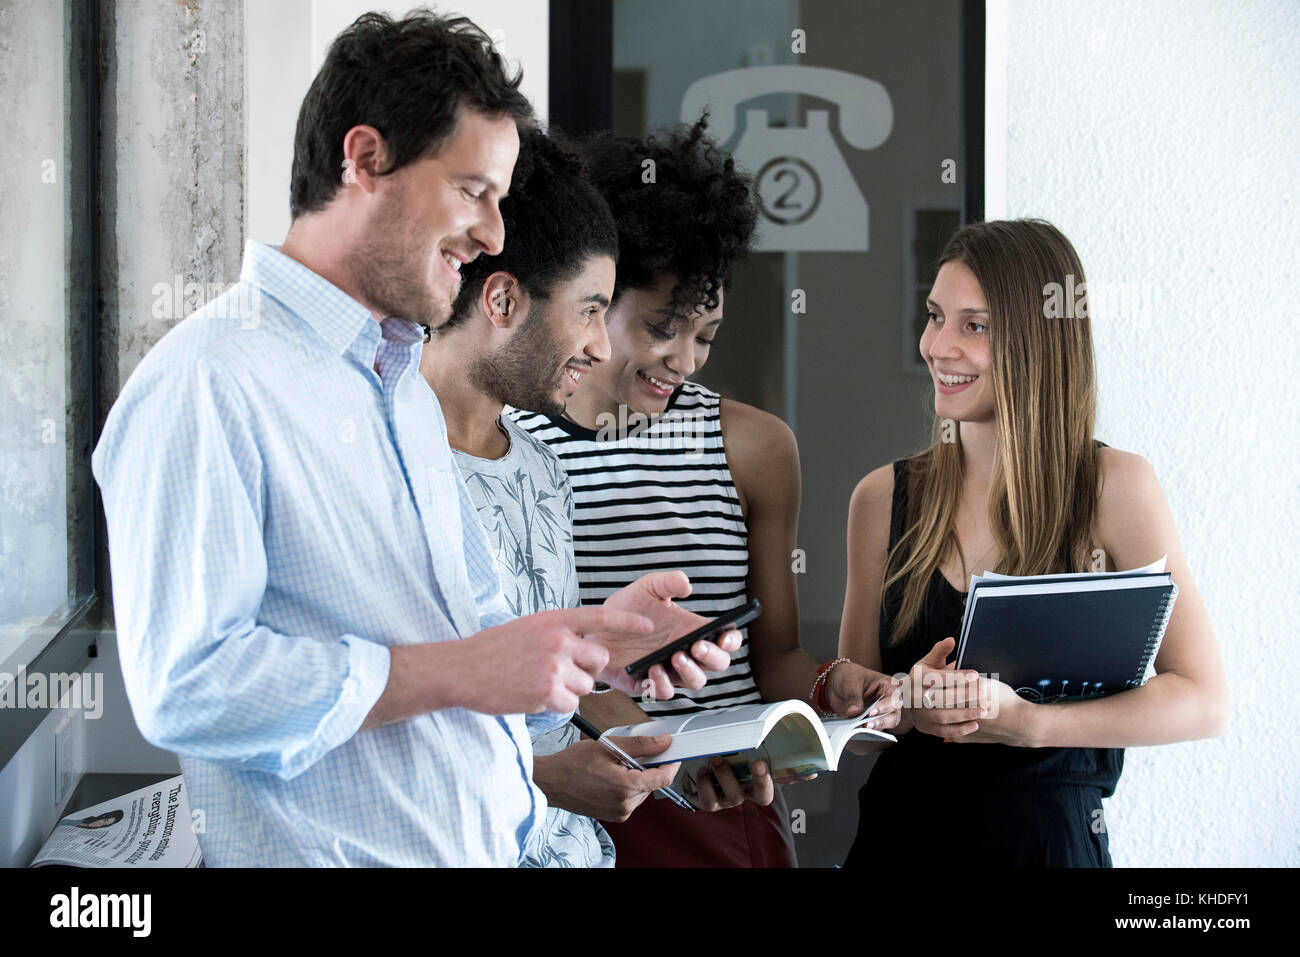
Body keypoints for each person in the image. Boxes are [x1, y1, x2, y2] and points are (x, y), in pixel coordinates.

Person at [90, 10, 735, 867]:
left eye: (501, 201)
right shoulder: (209, 381)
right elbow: (189, 687)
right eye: (474, 192)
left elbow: (477, 650)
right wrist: (457, 673)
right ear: (363, 159)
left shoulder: (392, 387)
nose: (494, 236)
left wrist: (595, 645)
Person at [513, 119, 898, 867]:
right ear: (595, 292)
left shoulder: (753, 447)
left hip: (723, 820)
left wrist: (831, 682)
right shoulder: (512, 442)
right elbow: (538, 664)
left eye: (707, 335)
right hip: (570, 810)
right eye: (662, 327)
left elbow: (776, 655)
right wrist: (666, 757)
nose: (684, 360)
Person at [838, 219, 1228, 867]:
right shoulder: (881, 498)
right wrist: (908, 697)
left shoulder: (1116, 488)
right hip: (900, 841)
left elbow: (1202, 700)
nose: (937, 345)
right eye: (936, 316)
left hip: (1049, 846)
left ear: (1038, 341)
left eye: (975, 325)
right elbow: (856, 736)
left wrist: (1033, 725)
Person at [422, 126, 696, 867]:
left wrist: (614, 652)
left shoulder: (542, 465)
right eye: (587, 309)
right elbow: (366, 717)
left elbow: (544, 689)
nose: (602, 347)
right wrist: (542, 781)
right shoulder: (388, 468)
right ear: (503, 299)